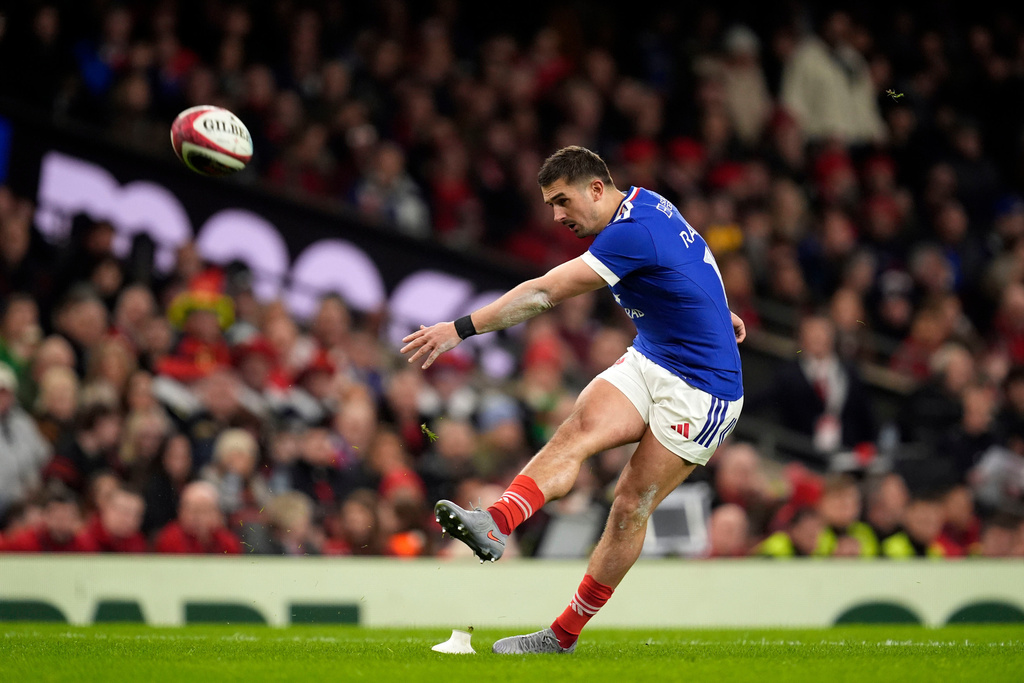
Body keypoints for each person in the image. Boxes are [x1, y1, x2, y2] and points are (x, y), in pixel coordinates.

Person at [401, 146, 745, 654]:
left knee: (629, 504)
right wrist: (719, 312)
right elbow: (697, 258)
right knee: (577, 429)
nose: (557, 215)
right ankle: (496, 523)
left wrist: (461, 328)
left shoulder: (630, 233)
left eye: (563, 201)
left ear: (597, 189)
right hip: (654, 356)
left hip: (703, 389)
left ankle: (562, 635)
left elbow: (544, 294)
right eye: (549, 204)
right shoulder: (646, 204)